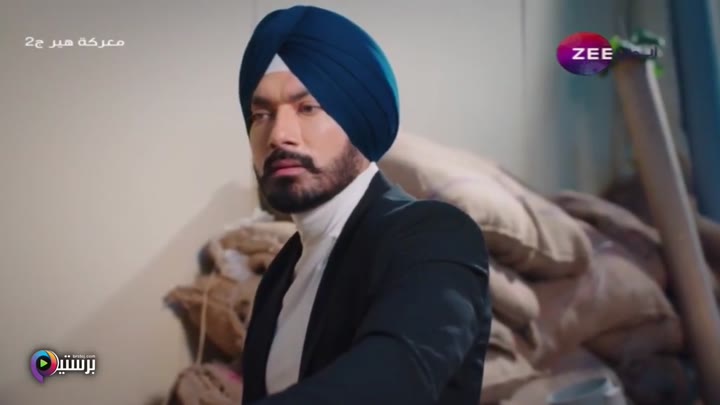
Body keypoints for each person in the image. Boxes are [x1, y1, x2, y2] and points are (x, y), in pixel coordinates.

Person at [237, 5, 492, 405]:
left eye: (308, 108)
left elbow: (395, 377)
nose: (278, 134)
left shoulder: (435, 236)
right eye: (261, 114)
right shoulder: (278, 277)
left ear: (358, 119)